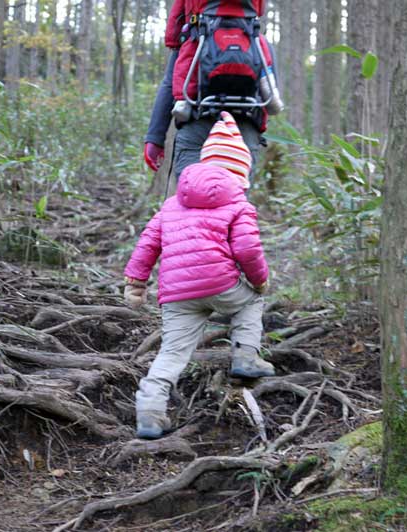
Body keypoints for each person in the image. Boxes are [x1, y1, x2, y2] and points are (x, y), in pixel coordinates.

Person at [125, 112, 275, 439]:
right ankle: (246, 356)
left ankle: (150, 412)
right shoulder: (238, 201)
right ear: (240, 170)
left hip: (177, 294)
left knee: (172, 353)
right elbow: (248, 250)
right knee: (250, 303)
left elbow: (148, 243)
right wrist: (259, 280)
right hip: (221, 284)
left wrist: (136, 283)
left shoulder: (172, 203)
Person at [143, 0, 275, 183]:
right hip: (243, 132)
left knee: (191, 202)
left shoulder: (194, 40)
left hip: (197, 125)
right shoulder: (257, 42)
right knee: (233, 206)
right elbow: (270, 97)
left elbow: (169, 83)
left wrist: (155, 138)